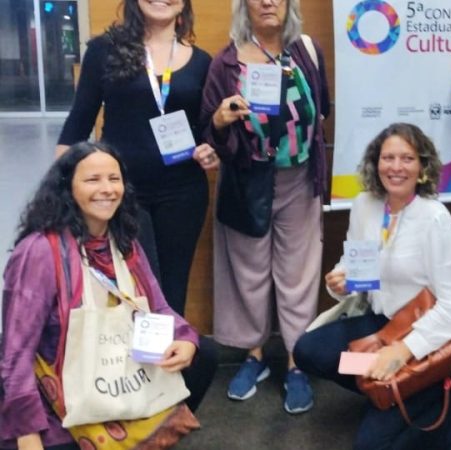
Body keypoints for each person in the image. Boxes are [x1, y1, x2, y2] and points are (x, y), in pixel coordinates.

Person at [294, 123, 451, 449]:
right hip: (384, 325)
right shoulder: (365, 205)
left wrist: (403, 351)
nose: (396, 167)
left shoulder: (435, 218)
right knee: (309, 351)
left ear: (422, 167)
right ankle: (393, 390)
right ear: (375, 163)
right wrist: (341, 281)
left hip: (436, 335)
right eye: (388, 157)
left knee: (371, 446)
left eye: (407, 158)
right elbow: (355, 265)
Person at [0, 142, 216, 450]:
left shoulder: (123, 241)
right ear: (68, 188)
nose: (107, 189)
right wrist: (27, 434)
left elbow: (159, 308)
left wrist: (185, 339)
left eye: (114, 179)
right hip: (61, 394)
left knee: (203, 355)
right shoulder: (40, 251)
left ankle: (137, 431)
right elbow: (16, 351)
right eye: (93, 180)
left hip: (117, 367)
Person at [199, 0, 329, 414]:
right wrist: (220, 121)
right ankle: (253, 356)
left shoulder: (307, 52)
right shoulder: (225, 63)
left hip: (300, 179)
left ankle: (296, 361)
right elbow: (208, 129)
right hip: (246, 180)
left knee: (298, 273)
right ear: (245, 6)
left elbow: (322, 109)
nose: (268, 1)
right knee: (248, 271)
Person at [56, 0, 217, 316]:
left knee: (172, 292)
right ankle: (130, 350)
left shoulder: (202, 62)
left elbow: (207, 129)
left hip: (184, 193)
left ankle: (169, 348)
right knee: (135, 290)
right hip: (121, 192)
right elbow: (78, 123)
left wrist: (211, 149)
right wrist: (59, 191)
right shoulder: (105, 50)